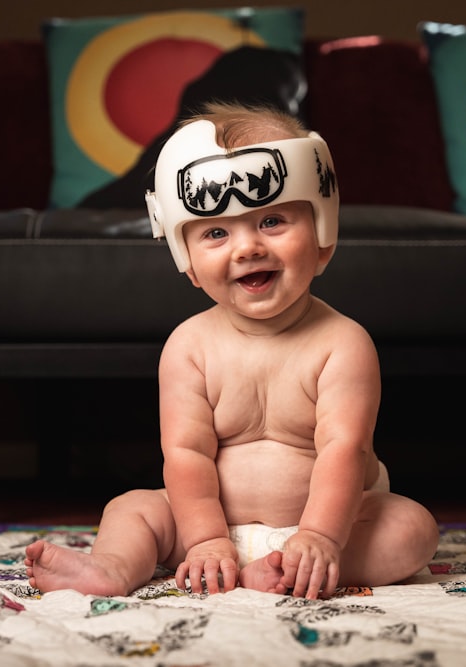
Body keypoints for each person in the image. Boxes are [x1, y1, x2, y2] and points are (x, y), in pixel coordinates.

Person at [25, 102, 439, 600]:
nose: (246, 248)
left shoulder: (343, 343)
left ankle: (286, 569)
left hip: (324, 530)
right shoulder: (189, 347)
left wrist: (320, 537)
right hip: (204, 531)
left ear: (323, 234)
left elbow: (343, 449)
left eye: (272, 221)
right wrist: (204, 540)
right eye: (217, 232)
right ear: (190, 263)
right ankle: (113, 568)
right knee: (131, 508)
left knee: (412, 528)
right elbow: (185, 452)